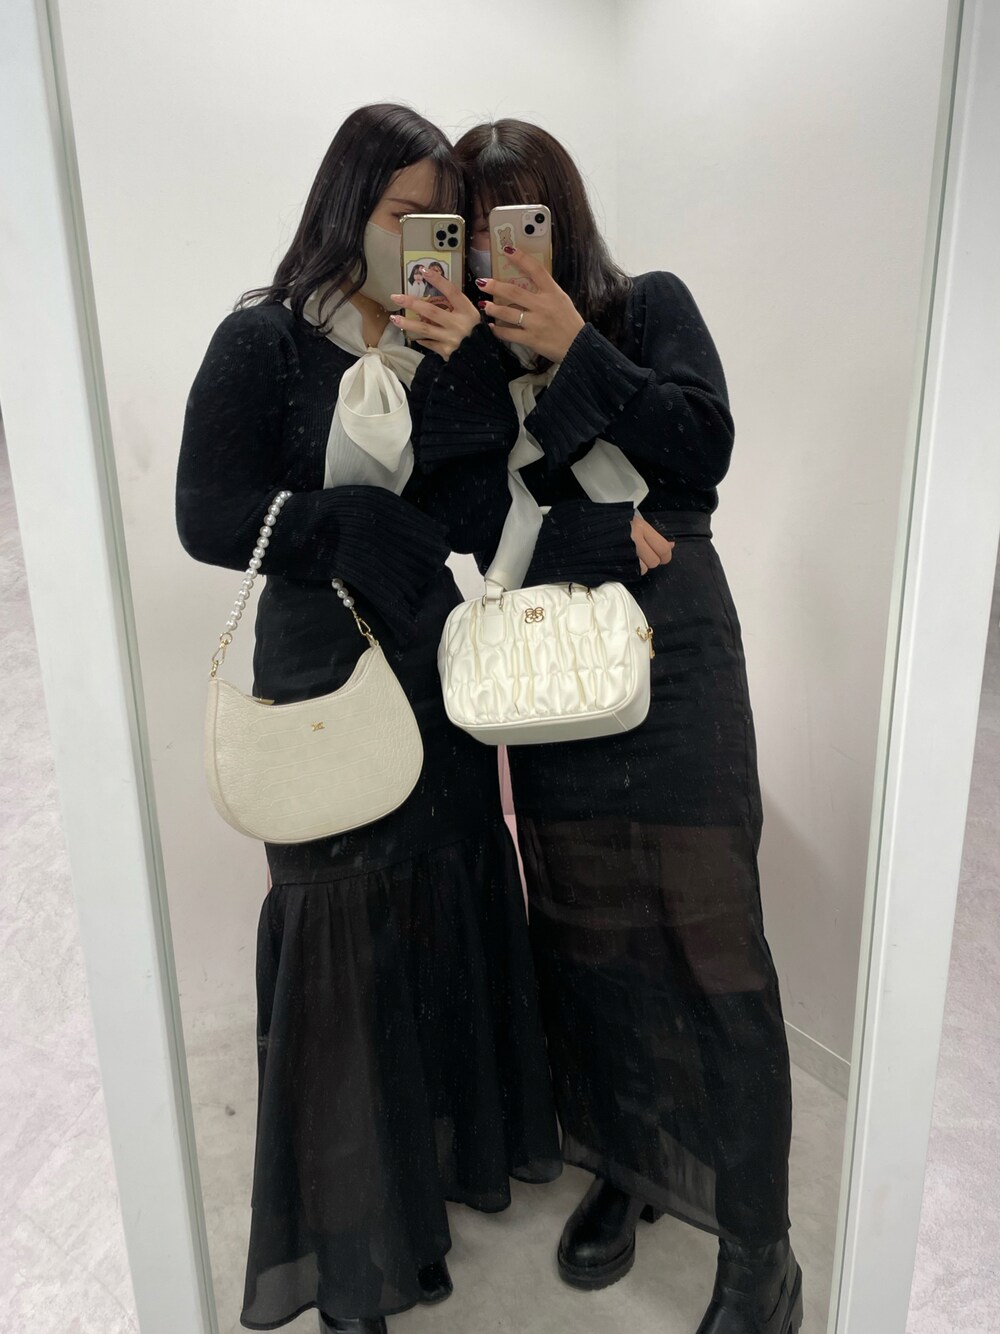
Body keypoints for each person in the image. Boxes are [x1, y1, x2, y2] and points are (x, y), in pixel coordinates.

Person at [393, 118, 802, 1334]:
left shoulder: (644, 306)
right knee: (587, 939)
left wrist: (576, 347)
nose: (501, 254)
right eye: (479, 230)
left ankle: (759, 1245)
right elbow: (471, 524)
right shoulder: (458, 352)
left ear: (560, 218)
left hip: (676, 655)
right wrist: (485, 381)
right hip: (550, 670)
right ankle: (628, 1165)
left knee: (716, 945)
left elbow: (700, 452)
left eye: (522, 222)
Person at [176, 105, 561, 1334]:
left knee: (441, 898)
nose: (421, 237)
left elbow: (478, 507)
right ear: (349, 207)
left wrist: (465, 365)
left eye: (440, 218)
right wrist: (338, 523)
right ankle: (354, 1245)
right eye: (404, 213)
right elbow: (205, 512)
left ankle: (437, 1170)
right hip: (322, 672)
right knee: (341, 930)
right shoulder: (264, 340)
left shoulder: (445, 340)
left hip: (433, 675)